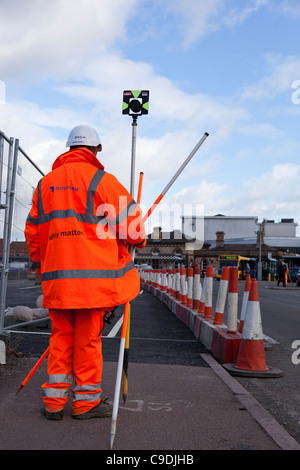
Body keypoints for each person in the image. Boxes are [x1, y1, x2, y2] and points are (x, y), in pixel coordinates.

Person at [24, 125, 146, 421]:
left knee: (60, 338)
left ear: (68, 150)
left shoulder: (45, 185)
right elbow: (134, 231)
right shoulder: (103, 181)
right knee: (88, 342)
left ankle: (54, 403)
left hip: (58, 282)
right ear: (97, 150)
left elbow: (33, 234)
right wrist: (137, 239)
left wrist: (42, 269)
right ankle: (85, 403)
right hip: (95, 283)